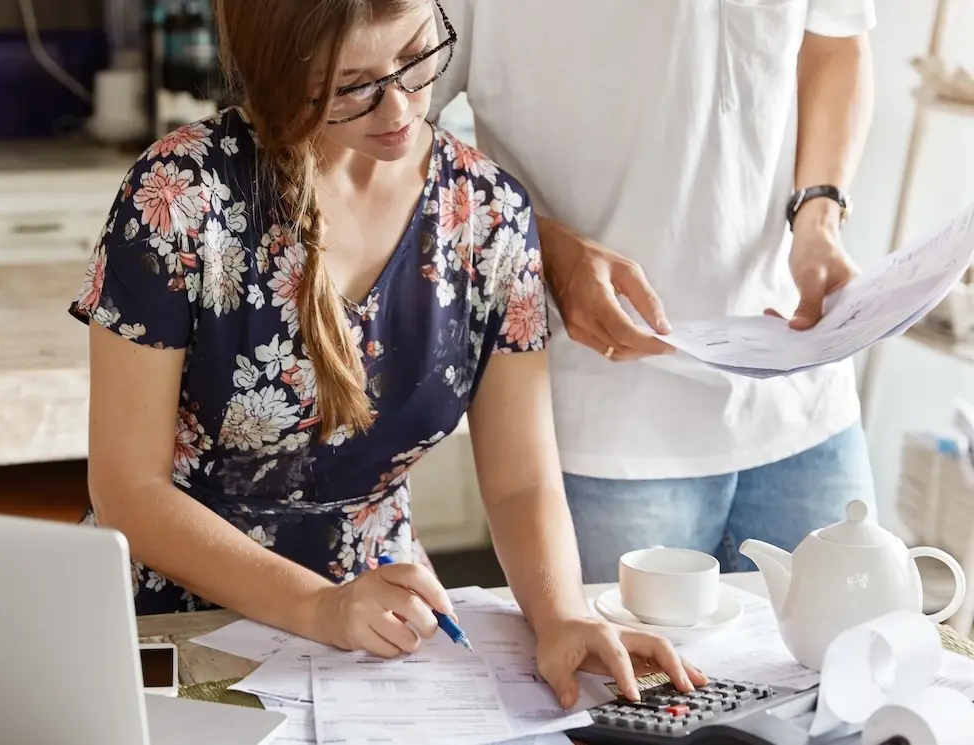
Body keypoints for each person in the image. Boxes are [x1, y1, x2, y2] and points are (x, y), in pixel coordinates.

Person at [71, 0, 707, 707]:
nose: (401, 107)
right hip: (176, 620)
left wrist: (564, 614)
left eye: (416, 55)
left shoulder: (489, 214)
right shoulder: (179, 197)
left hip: (386, 626)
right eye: (353, 86)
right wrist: (320, 606)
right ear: (285, 75)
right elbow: (129, 492)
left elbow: (522, 478)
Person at [430, 1, 878, 583]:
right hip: (604, 417)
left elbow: (836, 44)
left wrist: (819, 209)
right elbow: (392, 120)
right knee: (629, 676)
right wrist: (548, 248)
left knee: (850, 663)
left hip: (803, 395)